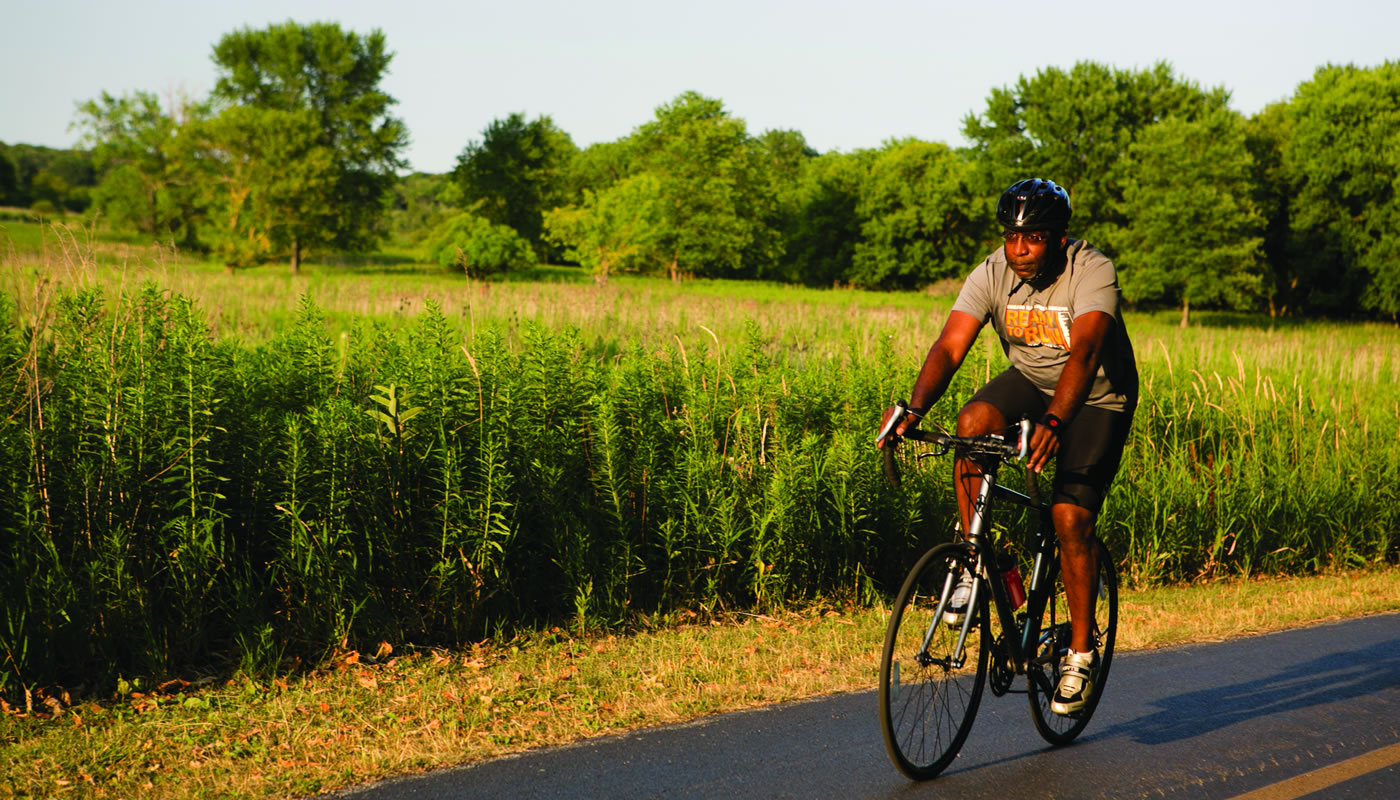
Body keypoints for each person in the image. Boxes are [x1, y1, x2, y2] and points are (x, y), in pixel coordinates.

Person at [878, 178, 1138, 715]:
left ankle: (1081, 655)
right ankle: (977, 563)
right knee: (971, 421)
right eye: (1011, 237)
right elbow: (951, 346)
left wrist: (1054, 421)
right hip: (1031, 381)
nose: (1018, 250)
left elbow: (1086, 353)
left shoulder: (1093, 271)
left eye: (1034, 238)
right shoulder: (992, 271)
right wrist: (913, 408)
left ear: (1060, 239)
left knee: (1069, 519)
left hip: (1097, 398)